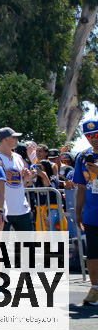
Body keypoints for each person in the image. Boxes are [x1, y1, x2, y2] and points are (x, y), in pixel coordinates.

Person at [73, 119, 98, 307]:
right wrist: (78, 211)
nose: (92, 139)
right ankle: (95, 288)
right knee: (93, 254)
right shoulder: (82, 157)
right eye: (89, 136)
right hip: (92, 213)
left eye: (96, 135)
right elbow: (81, 187)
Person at [0, 127, 35, 232]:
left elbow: (22, 184)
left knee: (28, 245)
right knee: (3, 245)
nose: (17, 140)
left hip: (22, 208)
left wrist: (26, 177)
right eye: (14, 137)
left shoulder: (18, 157)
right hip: (4, 210)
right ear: (5, 139)